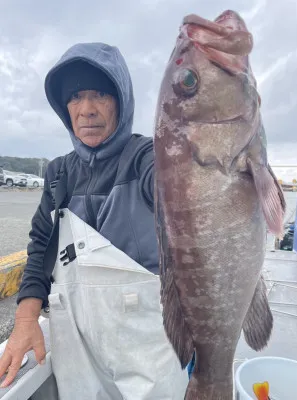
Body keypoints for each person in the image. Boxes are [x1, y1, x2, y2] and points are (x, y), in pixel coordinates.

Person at [0, 42, 189, 399]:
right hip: (77, 347)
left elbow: (177, 184)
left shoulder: (146, 157)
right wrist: (25, 321)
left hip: (148, 347)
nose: (86, 109)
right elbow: (41, 245)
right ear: (63, 107)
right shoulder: (58, 174)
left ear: (121, 99)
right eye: (75, 97)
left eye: (100, 94)